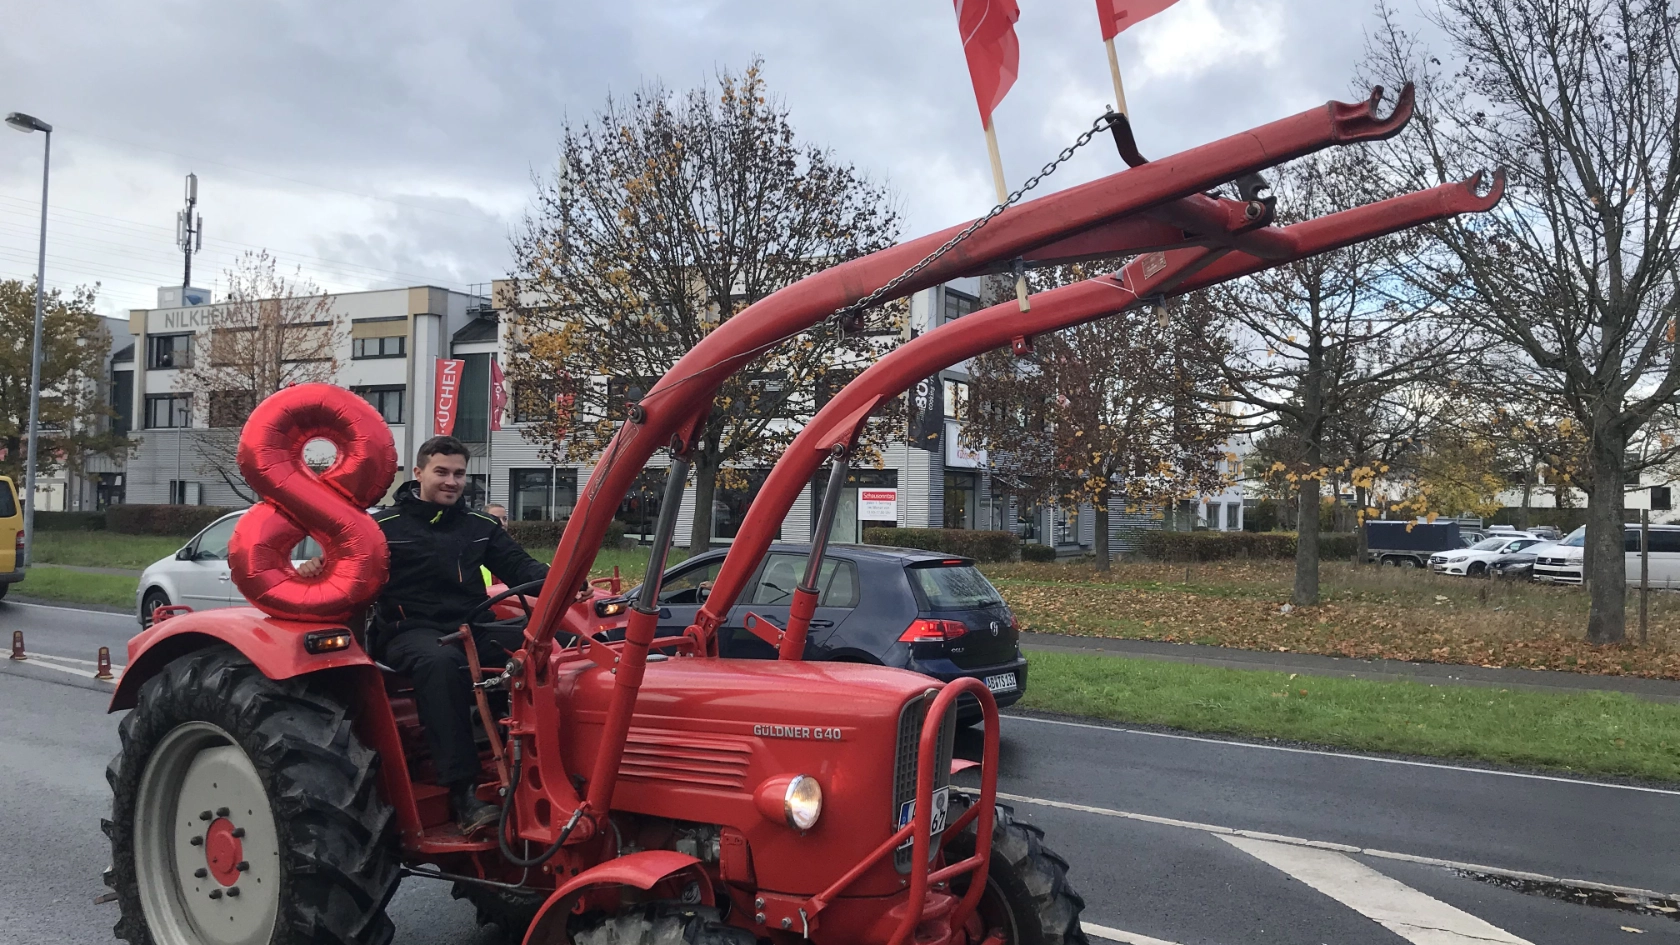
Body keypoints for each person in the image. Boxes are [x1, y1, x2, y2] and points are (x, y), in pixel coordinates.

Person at [299, 436, 548, 833]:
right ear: (418, 474)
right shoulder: (380, 526)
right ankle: (463, 793)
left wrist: (566, 581)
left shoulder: (480, 527)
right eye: (442, 472)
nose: (452, 481)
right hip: (407, 630)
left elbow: (522, 569)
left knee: (540, 649)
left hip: (470, 626)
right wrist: (315, 567)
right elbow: (339, 566)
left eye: (459, 474)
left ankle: (533, 761)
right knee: (442, 662)